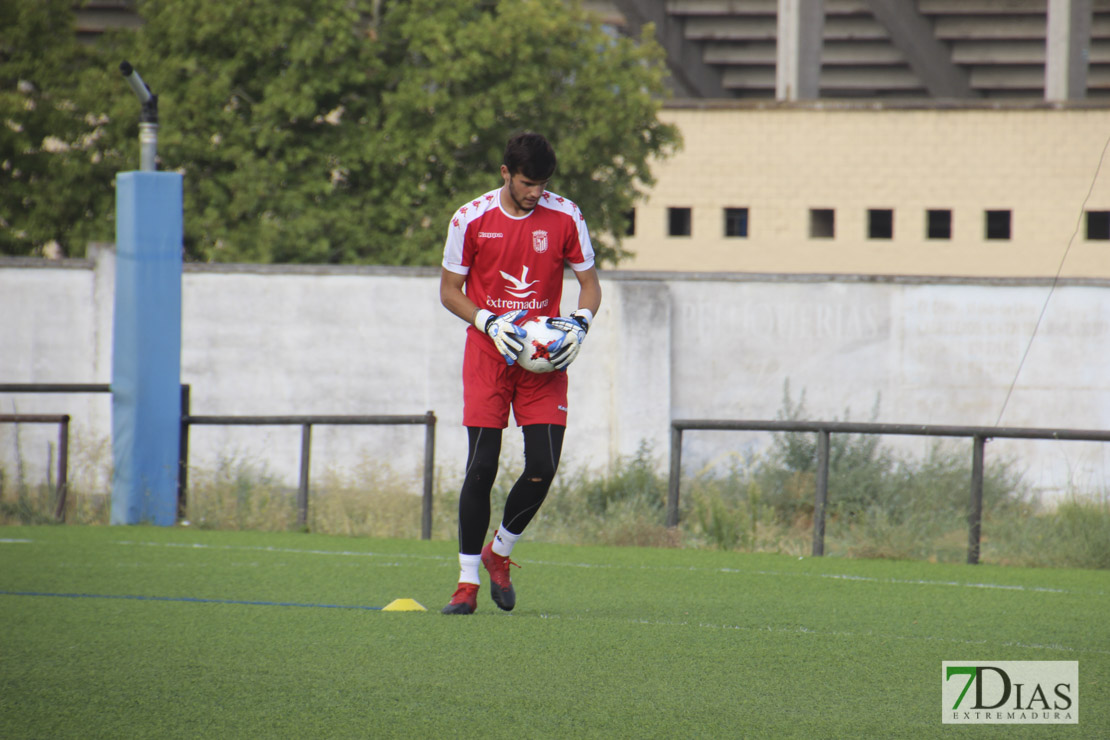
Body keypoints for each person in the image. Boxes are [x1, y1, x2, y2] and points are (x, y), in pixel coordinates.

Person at [438, 131, 602, 615]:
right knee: (481, 467)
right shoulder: (470, 218)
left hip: (542, 359)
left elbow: (590, 284)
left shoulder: (566, 215)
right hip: (489, 354)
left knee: (543, 467)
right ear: (506, 173)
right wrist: (486, 319)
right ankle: (466, 584)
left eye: (543, 183)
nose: (536, 192)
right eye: (528, 182)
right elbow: (449, 290)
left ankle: (500, 553)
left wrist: (580, 324)